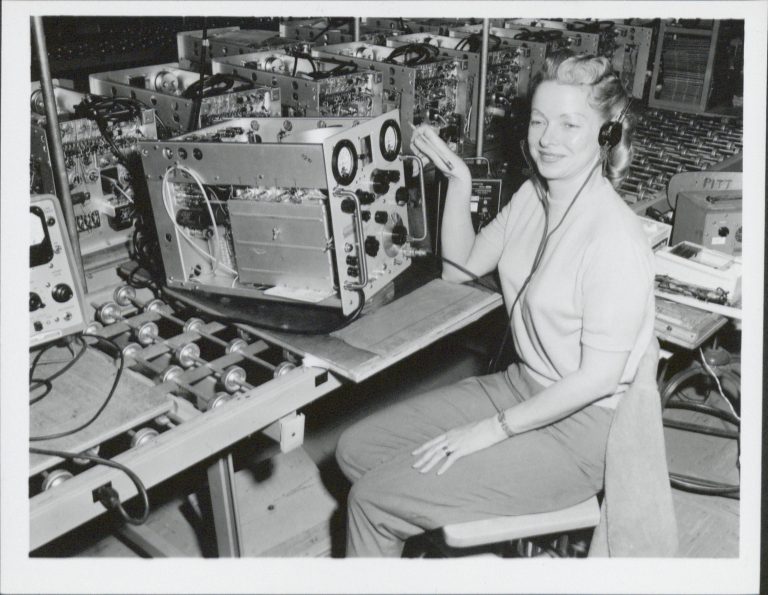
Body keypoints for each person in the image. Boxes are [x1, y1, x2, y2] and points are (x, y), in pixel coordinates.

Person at [335, 51, 656, 557]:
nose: (548, 139)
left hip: (582, 429)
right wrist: (459, 181)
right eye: (539, 121)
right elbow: (459, 266)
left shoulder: (615, 239)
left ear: (607, 134)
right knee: (357, 451)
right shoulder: (534, 195)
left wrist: (489, 432)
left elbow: (595, 378)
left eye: (571, 124)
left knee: (372, 501)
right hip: (520, 385)